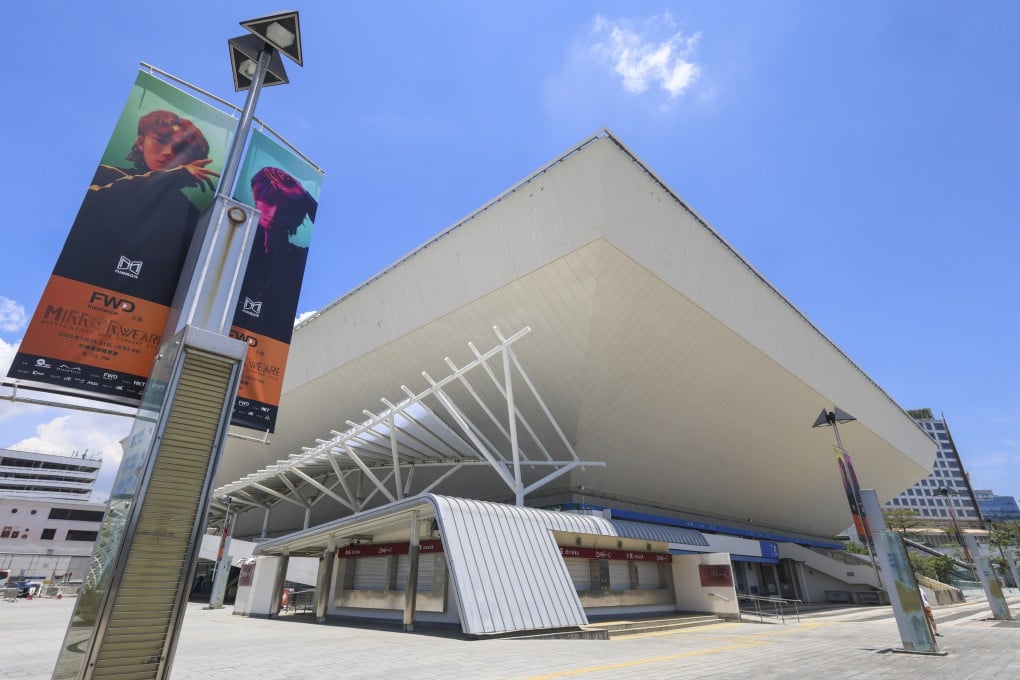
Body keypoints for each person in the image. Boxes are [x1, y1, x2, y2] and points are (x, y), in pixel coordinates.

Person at [53, 109, 219, 305]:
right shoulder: (105, 175)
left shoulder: (191, 214)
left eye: (182, 150)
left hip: (148, 312)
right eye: (161, 140)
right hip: (70, 297)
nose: (169, 152)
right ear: (141, 142)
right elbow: (88, 208)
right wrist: (170, 178)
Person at [233, 166, 317, 341]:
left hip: (267, 346)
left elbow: (337, 241)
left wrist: (305, 196)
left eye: (286, 206)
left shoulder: (296, 259)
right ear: (256, 194)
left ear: (297, 216)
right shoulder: (233, 232)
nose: (274, 212)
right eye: (270, 200)